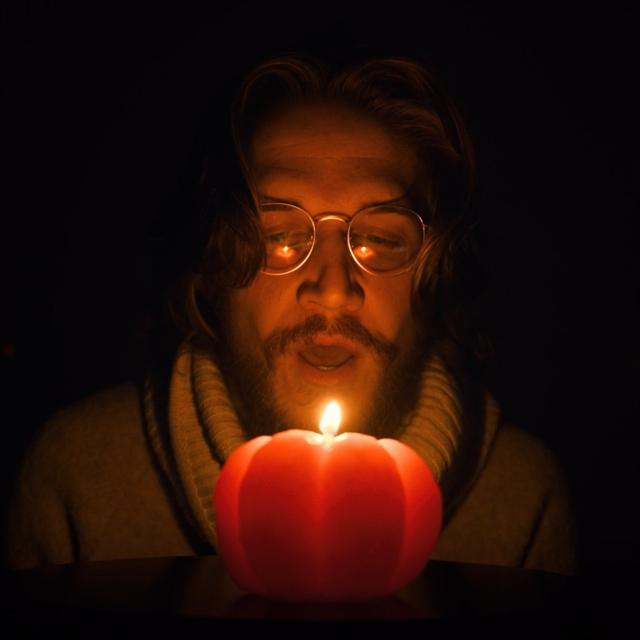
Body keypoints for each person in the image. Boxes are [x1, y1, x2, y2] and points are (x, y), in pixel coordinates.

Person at [4, 54, 576, 575]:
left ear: (436, 273)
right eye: (279, 238)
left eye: (379, 239)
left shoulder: (519, 498)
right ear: (212, 265)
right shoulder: (79, 476)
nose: (332, 291)